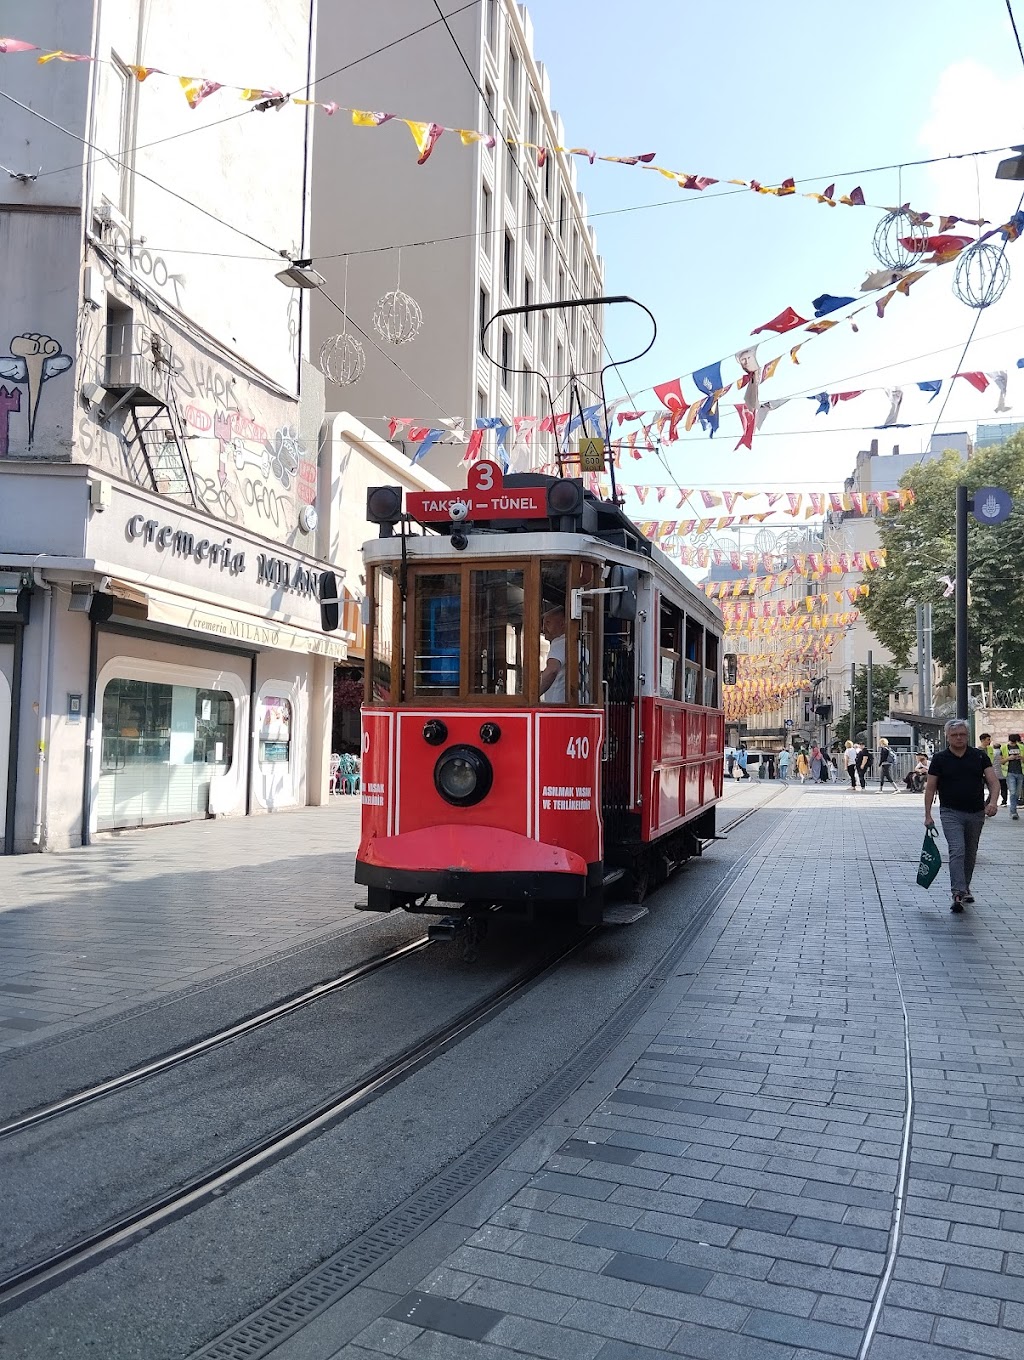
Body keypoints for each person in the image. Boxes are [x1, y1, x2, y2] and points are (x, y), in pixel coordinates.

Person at [924, 718, 1000, 912]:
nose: (959, 738)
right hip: (950, 812)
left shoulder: (979, 756)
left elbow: (993, 781)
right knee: (957, 850)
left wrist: (992, 802)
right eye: (954, 735)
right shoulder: (940, 759)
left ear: (968, 736)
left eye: (962, 734)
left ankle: (965, 886)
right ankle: (957, 892)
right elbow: (930, 787)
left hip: (976, 812)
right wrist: (928, 815)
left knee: (970, 853)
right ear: (948, 737)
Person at [540, 607, 566, 703]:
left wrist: (532, 695)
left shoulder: (559, 643)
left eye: (548, 623)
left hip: (558, 706)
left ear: (562, 624)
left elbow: (552, 670)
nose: (543, 629)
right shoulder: (580, 645)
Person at [979, 734, 1009, 807]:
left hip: (989, 772)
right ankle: (981, 806)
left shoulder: (990, 749)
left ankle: (986, 805)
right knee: (979, 791)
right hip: (980, 773)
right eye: (988, 739)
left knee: (993, 791)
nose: (990, 741)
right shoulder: (977, 750)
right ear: (982, 740)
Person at [1007, 733, 1023, 821]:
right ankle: (1013, 812)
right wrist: (1009, 758)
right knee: (1013, 792)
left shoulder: (1021, 747)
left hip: (1020, 772)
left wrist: (1021, 757)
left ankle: (1014, 810)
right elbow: (1001, 761)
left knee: (1017, 793)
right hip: (1010, 773)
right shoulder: (1004, 748)